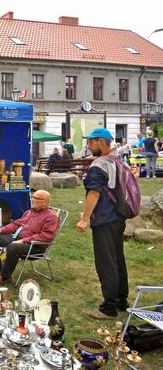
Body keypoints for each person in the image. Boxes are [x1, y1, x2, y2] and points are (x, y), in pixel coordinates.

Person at [76, 127, 129, 319]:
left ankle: (109, 308)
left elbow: (94, 192)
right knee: (117, 259)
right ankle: (122, 301)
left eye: (91, 141)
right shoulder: (118, 161)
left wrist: (85, 218)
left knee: (106, 262)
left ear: (101, 142)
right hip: (118, 217)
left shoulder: (99, 164)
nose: (88, 145)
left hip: (105, 219)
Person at [0, 190, 59, 285]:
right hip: (18, 238)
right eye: (32, 197)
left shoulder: (51, 217)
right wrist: (1, 230)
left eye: (35, 198)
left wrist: (23, 241)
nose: (32, 200)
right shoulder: (30, 212)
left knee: (12, 247)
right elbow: (17, 224)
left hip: (35, 247)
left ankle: (5, 277)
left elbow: (45, 237)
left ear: (44, 202)